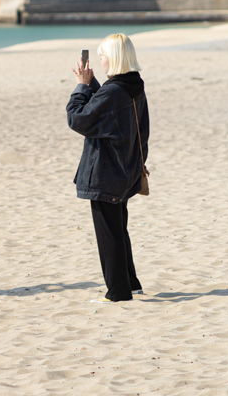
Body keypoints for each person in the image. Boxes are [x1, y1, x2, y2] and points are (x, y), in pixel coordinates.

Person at [67, 33, 149, 303]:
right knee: (118, 228)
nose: (99, 60)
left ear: (113, 58)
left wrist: (80, 87)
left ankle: (118, 292)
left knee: (109, 233)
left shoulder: (115, 91)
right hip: (126, 169)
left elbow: (78, 118)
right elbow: (106, 108)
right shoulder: (132, 84)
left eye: (102, 56)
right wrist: (92, 85)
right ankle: (131, 283)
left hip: (107, 172)